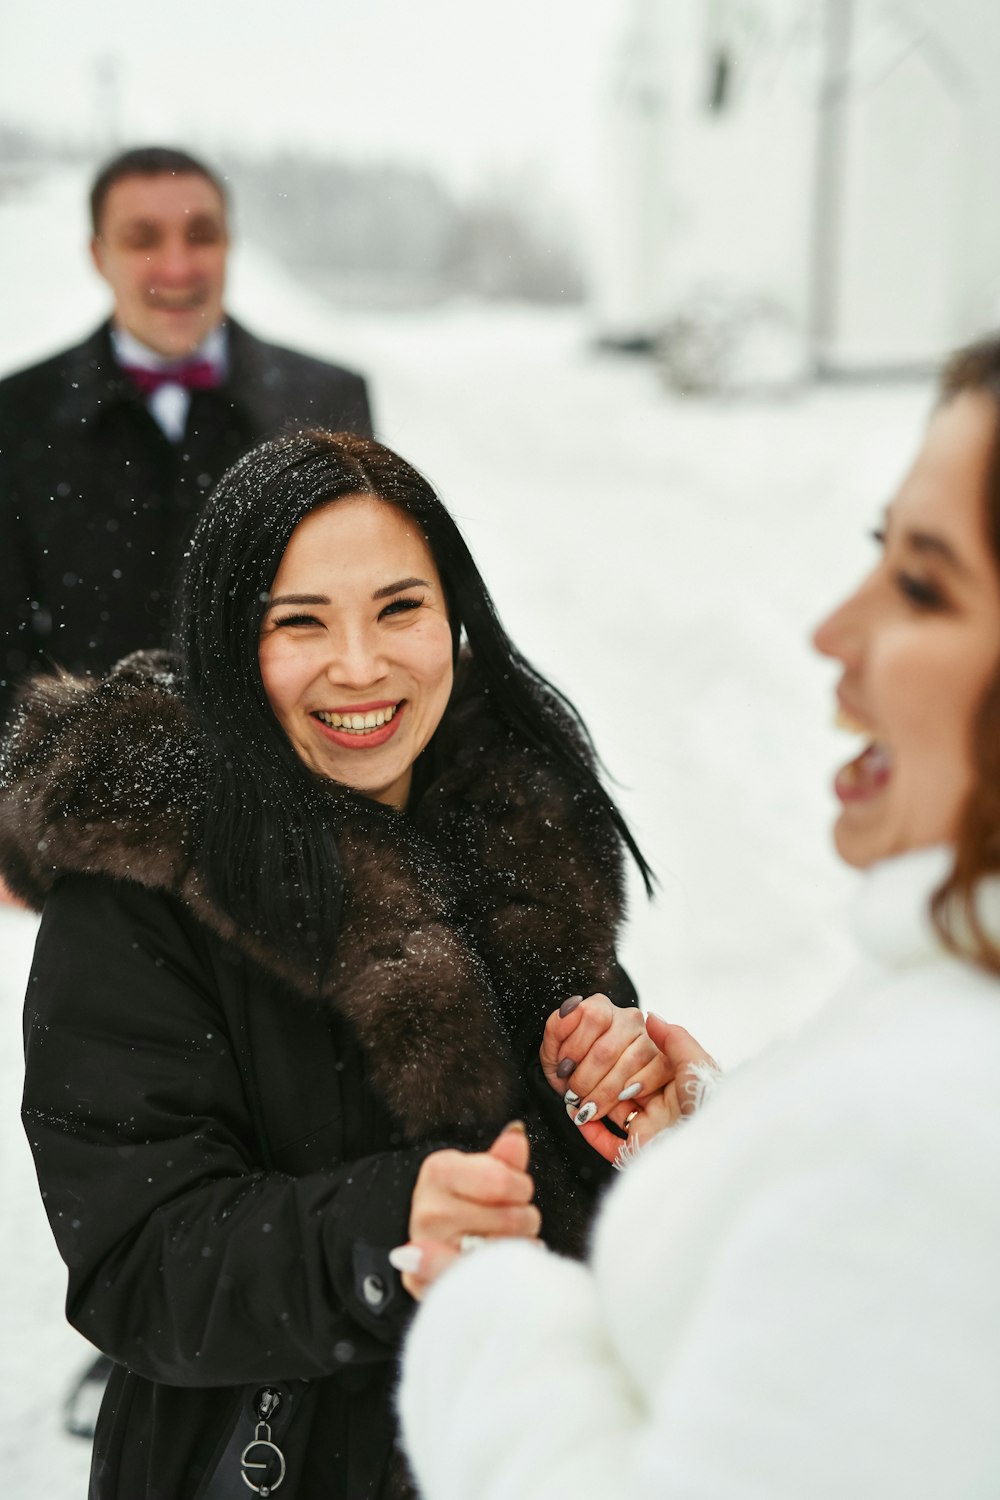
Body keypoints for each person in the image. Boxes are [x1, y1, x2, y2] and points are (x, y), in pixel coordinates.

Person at [0, 429, 661, 1499]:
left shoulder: (521, 838)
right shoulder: (139, 889)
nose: (360, 667)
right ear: (228, 643)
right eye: (298, 622)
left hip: (521, 1451)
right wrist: (383, 1230)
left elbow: (582, 1215)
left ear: (454, 613)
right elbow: (138, 1266)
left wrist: (637, 1122)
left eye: (399, 608)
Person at [395, 336, 1000, 1499]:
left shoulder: (936, 1134)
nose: (834, 629)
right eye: (879, 551)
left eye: (924, 583)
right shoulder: (941, 1008)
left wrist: (489, 1319)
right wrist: (716, 1148)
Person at [0, 145, 373, 733]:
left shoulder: (324, 400)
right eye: (143, 238)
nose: (177, 267)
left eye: (201, 235)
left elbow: (361, 608)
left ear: (230, 244)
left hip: (288, 785)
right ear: (99, 256)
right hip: (90, 802)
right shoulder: (15, 414)